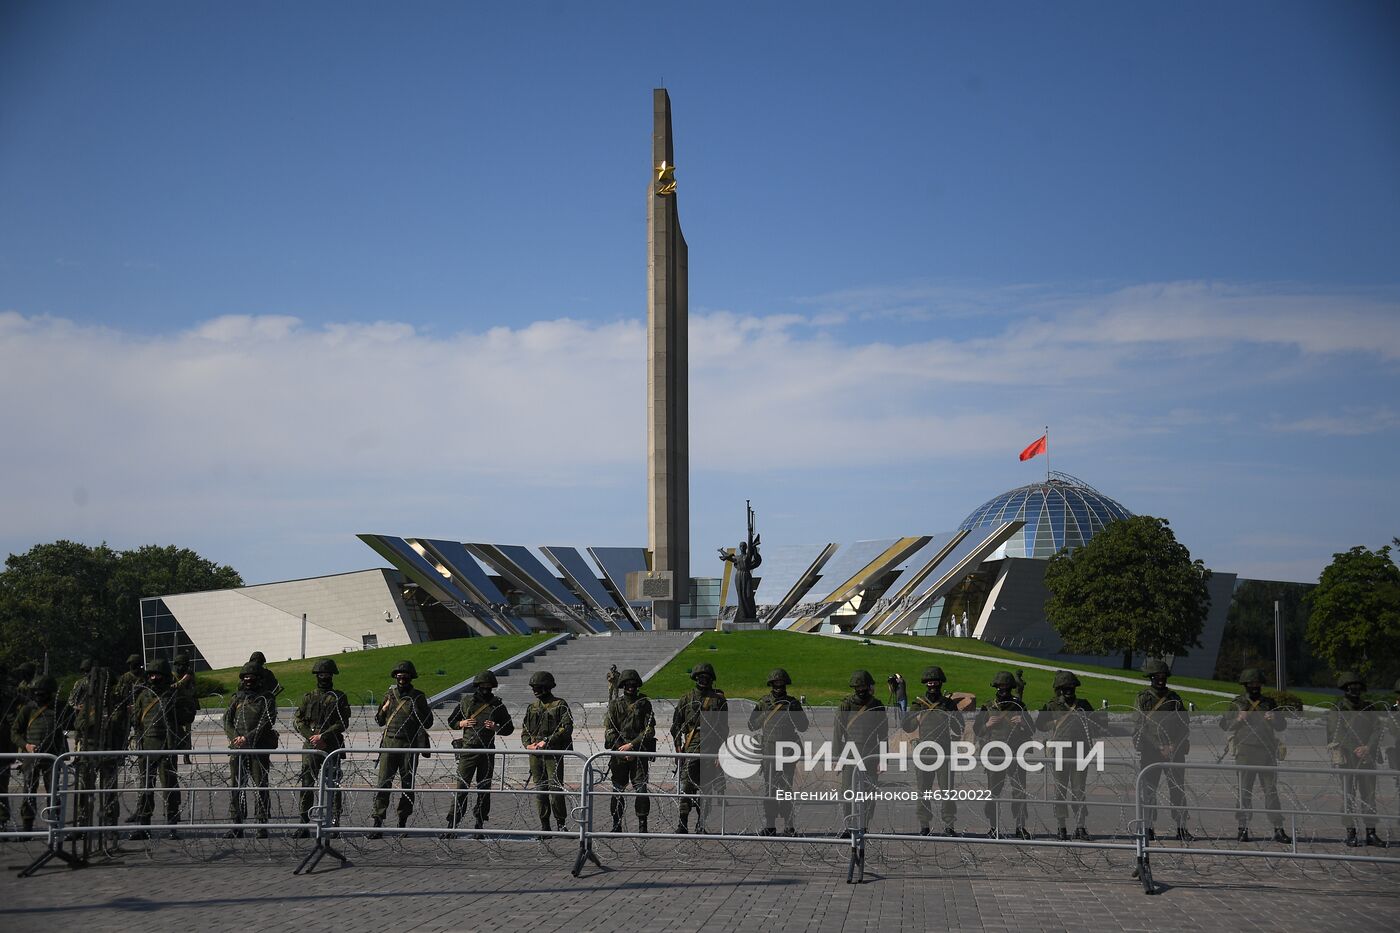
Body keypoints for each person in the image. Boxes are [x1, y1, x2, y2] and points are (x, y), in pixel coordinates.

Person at [1219, 668, 1291, 844]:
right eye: (1251, 684)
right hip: (1245, 752)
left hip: (1267, 752)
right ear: (1245, 685)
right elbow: (1224, 725)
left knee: (1271, 792)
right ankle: (1242, 828)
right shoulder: (1237, 703)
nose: (1255, 686)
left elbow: (1282, 725)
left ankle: (1278, 828)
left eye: (1257, 683)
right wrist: (1238, 719)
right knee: (1244, 792)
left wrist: (1274, 718)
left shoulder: (1269, 703)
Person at [1036, 671, 1106, 840]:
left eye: (1071, 688)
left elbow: (1097, 724)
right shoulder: (1052, 706)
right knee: (1060, 791)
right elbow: (1039, 725)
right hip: (1059, 752)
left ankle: (1080, 826)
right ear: (1059, 689)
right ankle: (1062, 827)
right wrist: (1052, 722)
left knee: (1078, 791)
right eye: (1066, 688)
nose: (1069, 691)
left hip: (1080, 752)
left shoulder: (1083, 705)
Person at [443, 669, 513, 837]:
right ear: (477, 686)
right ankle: (452, 824)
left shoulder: (497, 705)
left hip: (487, 751)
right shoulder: (467, 702)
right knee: (461, 787)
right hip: (468, 750)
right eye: (483, 685)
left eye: (489, 686)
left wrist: (496, 727)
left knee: (484, 788)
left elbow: (509, 728)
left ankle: (479, 822)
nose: (486, 688)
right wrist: (462, 723)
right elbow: (451, 721)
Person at [128, 659, 192, 839]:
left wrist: (175, 711)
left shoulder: (174, 694)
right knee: (145, 788)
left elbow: (189, 714)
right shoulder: (143, 696)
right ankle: (143, 825)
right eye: (151, 674)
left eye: (157, 674)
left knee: (170, 788)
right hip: (147, 747)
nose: (153, 677)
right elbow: (136, 720)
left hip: (167, 746)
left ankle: (172, 825)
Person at [369, 660, 434, 838]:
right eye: (399, 676)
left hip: (409, 746)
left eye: (405, 676)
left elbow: (428, 722)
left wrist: (416, 710)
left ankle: (402, 821)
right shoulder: (389, 695)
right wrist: (383, 709)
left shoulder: (418, 697)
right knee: (383, 784)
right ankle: (377, 822)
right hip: (389, 744)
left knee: (407, 785)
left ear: (411, 677)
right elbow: (379, 721)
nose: (402, 679)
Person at [1134, 658, 1193, 842]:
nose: (1160, 680)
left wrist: (1174, 744)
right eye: (1157, 676)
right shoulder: (1143, 698)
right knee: (1149, 790)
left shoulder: (1174, 698)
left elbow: (1185, 724)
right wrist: (1159, 746)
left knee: (1177, 789)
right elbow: (1140, 726)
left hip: (1174, 750)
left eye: (1163, 676)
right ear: (1151, 678)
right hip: (1151, 751)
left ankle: (1181, 826)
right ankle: (1148, 826)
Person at [1327, 672, 1388, 847]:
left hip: (1367, 757)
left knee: (1369, 795)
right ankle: (1350, 831)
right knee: (1349, 795)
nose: (1355, 690)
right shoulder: (1337, 709)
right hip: (1348, 758)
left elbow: (1378, 729)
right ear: (1345, 689)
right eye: (1351, 687)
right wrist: (1355, 747)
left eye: (1357, 687)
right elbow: (1335, 732)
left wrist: (1368, 747)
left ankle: (1371, 832)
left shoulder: (1369, 708)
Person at [293, 658, 352, 838]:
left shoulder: (339, 697)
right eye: (321, 674)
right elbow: (298, 720)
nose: (324, 677)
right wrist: (311, 737)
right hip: (311, 745)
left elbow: (343, 722)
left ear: (332, 676)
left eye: (327, 674)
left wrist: (323, 737)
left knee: (333, 785)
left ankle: (334, 822)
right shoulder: (308, 697)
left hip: (331, 744)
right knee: (306, 784)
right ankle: (303, 823)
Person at [902, 665, 962, 836]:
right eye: (929, 683)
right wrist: (912, 717)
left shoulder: (949, 704)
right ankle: (924, 825)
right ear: (925, 684)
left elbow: (959, 729)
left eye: (935, 682)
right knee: (923, 790)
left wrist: (954, 719)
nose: (933, 686)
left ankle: (949, 825)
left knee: (947, 790)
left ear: (941, 684)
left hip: (944, 751)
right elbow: (908, 727)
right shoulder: (919, 703)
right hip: (924, 751)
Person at [974, 671, 1034, 839]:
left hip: (1015, 753)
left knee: (1019, 791)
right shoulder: (988, 706)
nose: (1003, 690)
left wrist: (1023, 722)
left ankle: (1020, 826)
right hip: (995, 753)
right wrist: (986, 724)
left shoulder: (1019, 706)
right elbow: (977, 730)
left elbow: (1032, 729)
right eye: (1000, 687)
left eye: (1006, 687)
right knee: (994, 792)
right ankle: (993, 827)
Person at [670, 662, 728, 833]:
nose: (704, 680)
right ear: (695, 678)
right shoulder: (686, 699)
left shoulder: (719, 701)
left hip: (711, 748)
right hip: (691, 748)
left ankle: (701, 823)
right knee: (686, 788)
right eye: (701, 677)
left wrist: (721, 752)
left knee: (706, 789)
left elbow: (724, 729)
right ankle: (682, 823)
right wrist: (678, 746)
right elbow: (676, 725)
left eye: (707, 677)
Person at [748, 668, 807, 836]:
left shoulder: (792, 703)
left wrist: (794, 713)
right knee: (770, 789)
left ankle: (789, 825)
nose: (779, 686)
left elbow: (803, 726)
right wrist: (765, 714)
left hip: (787, 751)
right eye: (776, 683)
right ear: (771, 684)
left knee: (786, 789)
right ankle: (770, 824)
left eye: (781, 683)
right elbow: (752, 725)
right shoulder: (763, 703)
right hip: (769, 752)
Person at [222, 662, 278, 839]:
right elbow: (227, 720)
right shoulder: (237, 698)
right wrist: (235, 738)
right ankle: (237, 824)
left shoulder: (267, 698)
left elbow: (266, 722)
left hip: (258, 748)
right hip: (238, 748)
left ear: (259, 679)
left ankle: (262, 824)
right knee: (237, 787)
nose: (248, 681)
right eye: (245, 678)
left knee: (260, 786)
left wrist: (248, 738)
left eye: (252, 678)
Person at [70, 663, 125, 832]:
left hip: (108, 751)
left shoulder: (116, 704)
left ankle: (110, 825)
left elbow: (116, 724)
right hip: (89, 751)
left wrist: (97, 721)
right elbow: (78, 723)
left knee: (109, 792)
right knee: (83, 791)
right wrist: (98, 720)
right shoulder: (89, 704)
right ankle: (82, 825)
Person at [10, 675, 67, 835]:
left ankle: (54, 824)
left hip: (52, 757)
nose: (38, 697)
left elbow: (71, 722)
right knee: (29, 791)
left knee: (53, 791)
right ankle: (27, 826)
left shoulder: (58, 708)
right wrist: (26, 745)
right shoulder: (28, 709)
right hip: (32, 757)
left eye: (42, 694)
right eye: (36, 693)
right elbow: (15, 732)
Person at [835, 670, 888, 836]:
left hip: (871, 753)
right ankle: (849, 825)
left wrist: (883, 759)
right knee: (847, 791)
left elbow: (883, 736)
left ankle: (864, 825)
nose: (861, 689)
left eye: (864, 685)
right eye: (858, 686)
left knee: (868, 792)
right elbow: (837, 734)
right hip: (850, 753)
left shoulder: (877, 706)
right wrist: (836, 757)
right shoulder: (845, 706)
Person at [521, 671, 573, 835]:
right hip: (536, 754)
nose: (535, 690)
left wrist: (548, 741)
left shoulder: (559, 704)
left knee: (555, 788)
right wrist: (528, 745)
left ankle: (560, 822)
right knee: (540, 789)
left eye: (538, 687)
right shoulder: (532, 707)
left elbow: (567, 727)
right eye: (534, 687)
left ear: (547, 687)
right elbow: (525, 730)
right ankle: (544, 824)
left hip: (553, 753)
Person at [604, 668, 656, 833]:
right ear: (623, 685)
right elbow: (610, 730)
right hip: (619, 754)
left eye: (633, 684)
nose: (631, 687)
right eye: (627, 684)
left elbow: (649, 730)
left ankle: (642, 825)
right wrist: (622, 748)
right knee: (618, 789)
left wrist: (632, 746)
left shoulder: (644, 704)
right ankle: (616, 824)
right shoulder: (615, 705)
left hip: (638, 752)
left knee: (641, 789)